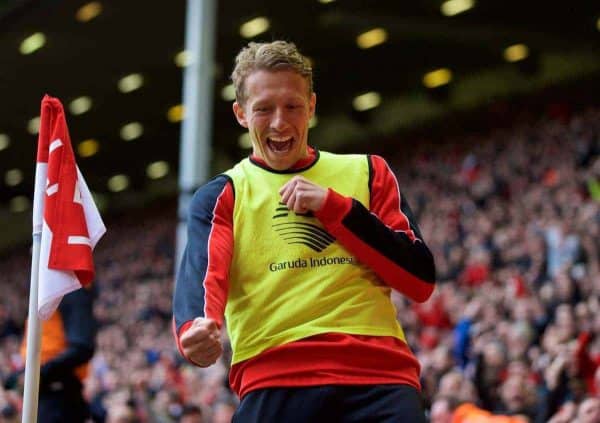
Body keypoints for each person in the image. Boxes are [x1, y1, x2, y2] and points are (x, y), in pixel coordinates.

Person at [173, 40, 436, 421]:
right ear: (241, 113)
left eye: (292, 106)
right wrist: (194, 331)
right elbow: (202, 281)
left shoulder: (369, 172)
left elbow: (419, 280)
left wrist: (336, 208)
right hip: (275, 379)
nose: (279, 122)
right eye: (263, 109)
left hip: (378, 378)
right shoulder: (221, 196)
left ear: (311, 106)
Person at [19, 287, 96, 422]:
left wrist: (39, 374)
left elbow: (82, 347)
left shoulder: (69, 290)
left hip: (59, 396)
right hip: (44, 394)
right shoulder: (44, 296)